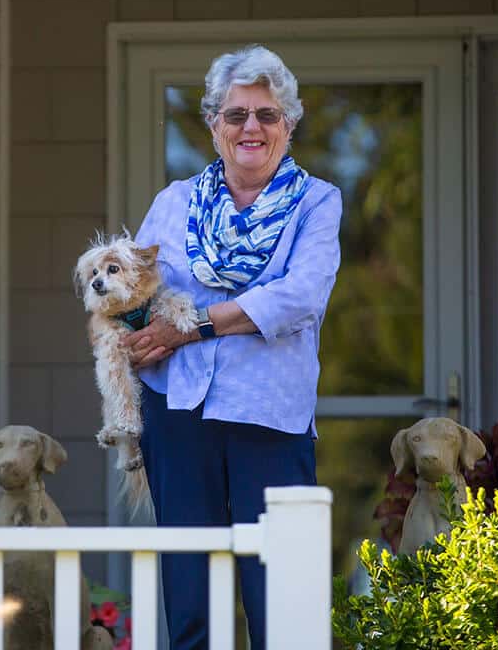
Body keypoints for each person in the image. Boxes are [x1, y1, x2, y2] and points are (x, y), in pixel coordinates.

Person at [126, 45, 342, 650]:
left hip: (270, 413)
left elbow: (299, 297)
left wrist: (192, 325)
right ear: (214, 125)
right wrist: (132, 337)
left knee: (278, 596)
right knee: (193, 595)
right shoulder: (174, 203)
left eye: (267, 115)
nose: (252, 127)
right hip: (177, 411)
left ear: (289, 126)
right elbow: (133, 291)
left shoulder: (316, 202)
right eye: (237, 114)